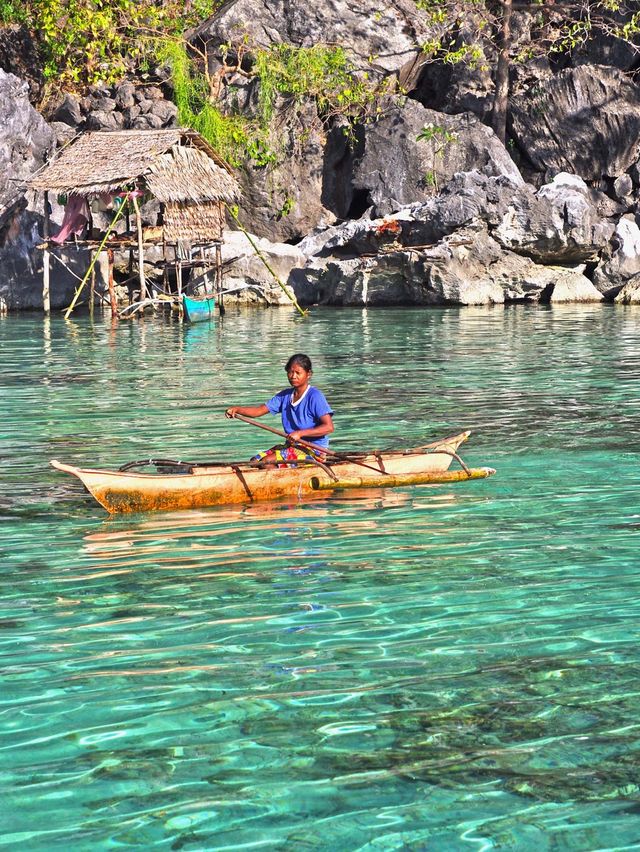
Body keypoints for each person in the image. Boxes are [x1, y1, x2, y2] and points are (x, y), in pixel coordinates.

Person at [225, 353, 334, 466]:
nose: (293, 376)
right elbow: (258, 411)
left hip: (314, 450)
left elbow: (329, 427)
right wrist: (237, 409)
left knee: (267, 461)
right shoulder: (284, 396)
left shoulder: (315, 396)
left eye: (298, 373)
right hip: (292, 446)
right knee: (254, 461)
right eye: (290, 372)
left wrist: (300, 434)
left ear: (308, 374)